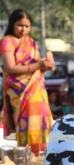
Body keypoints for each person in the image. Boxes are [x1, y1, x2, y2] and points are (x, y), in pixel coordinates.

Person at [0, 9, 54, 155]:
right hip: (17, 87)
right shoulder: (7, 41)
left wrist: (46, 65)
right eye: (20, 25)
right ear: (12, 24)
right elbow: (10, 67)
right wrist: (38, 66)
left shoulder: (31, 42)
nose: (23, 29)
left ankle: (38, 155)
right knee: (28, 118)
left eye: (27, 26)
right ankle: (26, 155)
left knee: (39, 117)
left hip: (35, 86)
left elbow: (36, 66)